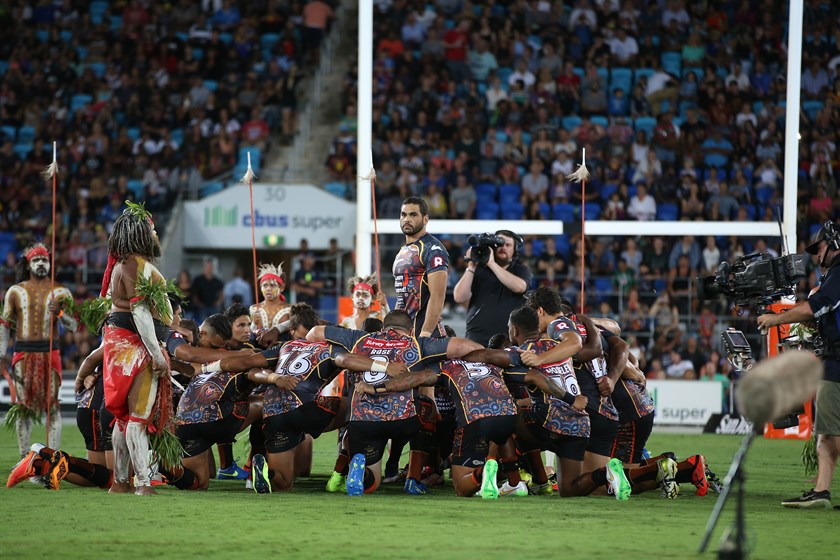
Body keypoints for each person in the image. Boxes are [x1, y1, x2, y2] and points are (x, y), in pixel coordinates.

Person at [205, 303, 405, 493]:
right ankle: (349, 466)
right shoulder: (328, 349)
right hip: (304, 408)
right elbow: (347, 360)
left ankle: (266, 470)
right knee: (356, 406)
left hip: (273, 414)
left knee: (283, 484)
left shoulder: (284, 347)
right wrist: (384, 366)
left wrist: (208, 368)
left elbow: (247, 362)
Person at [306, 310, 482, 495]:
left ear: (383, 328)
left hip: (363, 422)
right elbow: (464, 346)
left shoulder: (358, 338)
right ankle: (413, 479)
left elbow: (315, 332)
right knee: (428, 408)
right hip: (402, 420)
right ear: (411, 329)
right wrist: (487, 355)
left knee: (371, 485)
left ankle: (359, 469)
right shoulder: (417, 344)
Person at [758, 222, 840, 509]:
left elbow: (816, 305)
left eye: (819, 249)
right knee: (828, 433)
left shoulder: (838, 275)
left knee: (828, 433)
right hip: (834, 360)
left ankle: (821, 491)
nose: (817, 256)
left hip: (837, 365)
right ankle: (821, 490)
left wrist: (774, 319)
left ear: (834, 245)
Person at [100, 203, 173, 496]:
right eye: (152, 229)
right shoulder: (134, 265)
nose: (155, 233)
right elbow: (140, 309)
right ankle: (143, 482)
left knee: (125, 417)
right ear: (142, 232)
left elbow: (115, 306)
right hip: (137, 343)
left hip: (122, 342)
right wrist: (156, 353)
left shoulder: (124, 264)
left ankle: (119, 481)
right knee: (138, 417)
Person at [1, 243, 78, 458]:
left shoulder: (61, 292)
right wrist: (0, 355)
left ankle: (52, 458)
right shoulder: (15, 292)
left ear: (50, 263)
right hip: (23, 354)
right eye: (36, 260)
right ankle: (25, 458)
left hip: (50, 353)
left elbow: (74, 326)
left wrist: (61, 312)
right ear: (28, 265)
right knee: (22, 407)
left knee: (52, 407)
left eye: (44, 260)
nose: (41, 263)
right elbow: (5, 324)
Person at [453, 230, 532, 345]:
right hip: (476, 339)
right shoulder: (478, 270)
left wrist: (491, 264)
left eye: (508, 245)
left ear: (515, 250)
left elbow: (520, 287)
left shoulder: (520, 270)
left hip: (507, 341)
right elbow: (459, 297)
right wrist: (471, 266)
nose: (503, 247)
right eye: (499, 244)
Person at [392, 197, 449, 337]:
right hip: (405, 333)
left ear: (425, 219)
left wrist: (425, 333)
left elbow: (437, 295)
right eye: (403, 214)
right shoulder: (402, 251)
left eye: (413, 215)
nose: (407, 219)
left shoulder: (434, 249)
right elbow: (402, 297)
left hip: (426, 334)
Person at [250, 263, 290, 333]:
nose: (268, 289)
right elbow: (248, 333)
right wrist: (254, 323)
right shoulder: (254, 309)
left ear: (281, 287)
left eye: (272, 285)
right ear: (261, 288)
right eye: (265, 285)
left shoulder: (290, 309)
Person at [191, 258, 224, 322]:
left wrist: (219, 302)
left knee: (214, 324)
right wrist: (197, 303)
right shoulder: (198, 280)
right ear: (204, 268)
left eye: (210, 267)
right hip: (202, 307)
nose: (209, 269)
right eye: (207, 267)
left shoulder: (217, 280)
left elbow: (221, 292)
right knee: (203, 325)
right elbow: (194, 293)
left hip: (214, 307)